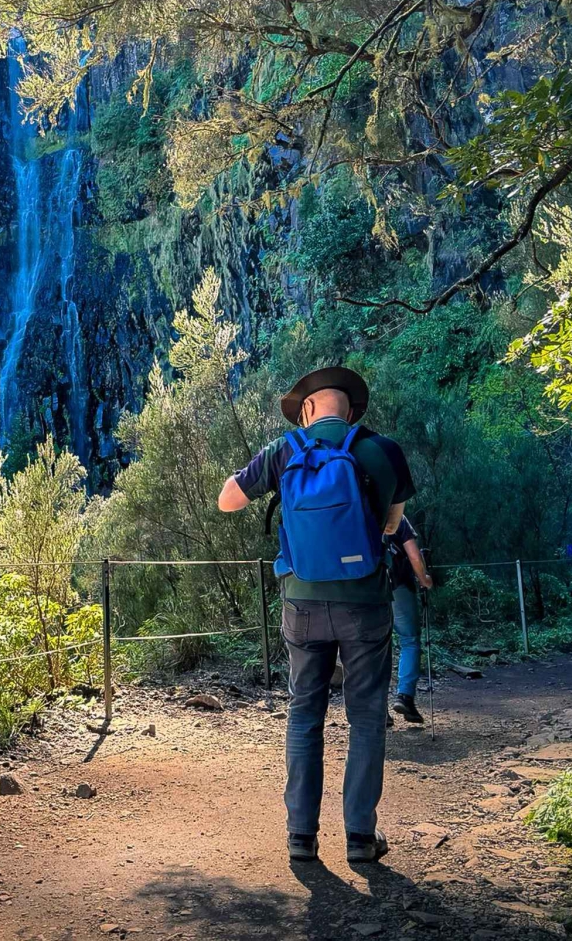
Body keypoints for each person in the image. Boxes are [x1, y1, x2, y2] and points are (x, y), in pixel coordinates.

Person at [218, 367, 415, 865]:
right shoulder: (383, 451)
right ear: (350, 410)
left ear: (307, 411)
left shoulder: (284, 450)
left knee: (305, 712)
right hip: (366, 604)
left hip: (301, 604)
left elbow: (226, 502)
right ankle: (360, 839)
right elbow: (393, 524)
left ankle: (301, 837)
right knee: (367, 717)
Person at [385, 516, 433, 724]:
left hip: (366, 589)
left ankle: (376, 708)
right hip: (397, 585)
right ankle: (405, 696)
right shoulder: (397, 517)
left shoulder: (358, 509)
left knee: (375, 647)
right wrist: (425, 580)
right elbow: (413, 555)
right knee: (409, 640)